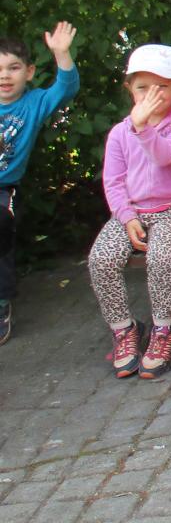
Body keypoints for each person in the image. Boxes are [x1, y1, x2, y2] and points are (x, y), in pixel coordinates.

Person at [90, 45, 171, 378]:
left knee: (162, 257)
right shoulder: (119, 133)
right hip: (132, 211)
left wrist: (143, 129)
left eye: (162, 86)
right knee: (101, 258)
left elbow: (165, 156)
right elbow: (113, 181)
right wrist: (126, 217)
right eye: (142, 88)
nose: (152, 95)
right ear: (129, 89)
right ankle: (124, 329)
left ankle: (164, 328)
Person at [0, 21, 78, 345]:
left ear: (29, 72)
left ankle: (1, 302)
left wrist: (61, 53)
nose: (5, 76)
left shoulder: (33, 103)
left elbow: (66, 89)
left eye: (13, 68)